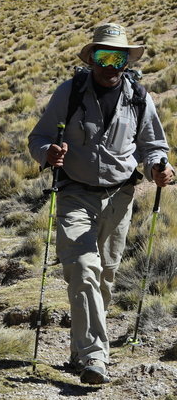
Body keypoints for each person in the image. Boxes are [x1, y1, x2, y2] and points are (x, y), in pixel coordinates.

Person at [28, 23, 173, 384]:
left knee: (105, 275)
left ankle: (80, 350)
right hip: (74, 193)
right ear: (91, 58)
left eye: (118, 56)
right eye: (103, 56)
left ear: (127, 60)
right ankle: (96, 357)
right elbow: (39, 136)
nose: (111, 64)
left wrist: (159, 166)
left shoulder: (139, 97)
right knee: (82, 269)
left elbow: (153, 143)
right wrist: (48, 153)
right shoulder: (70, 93)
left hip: (119, 197)